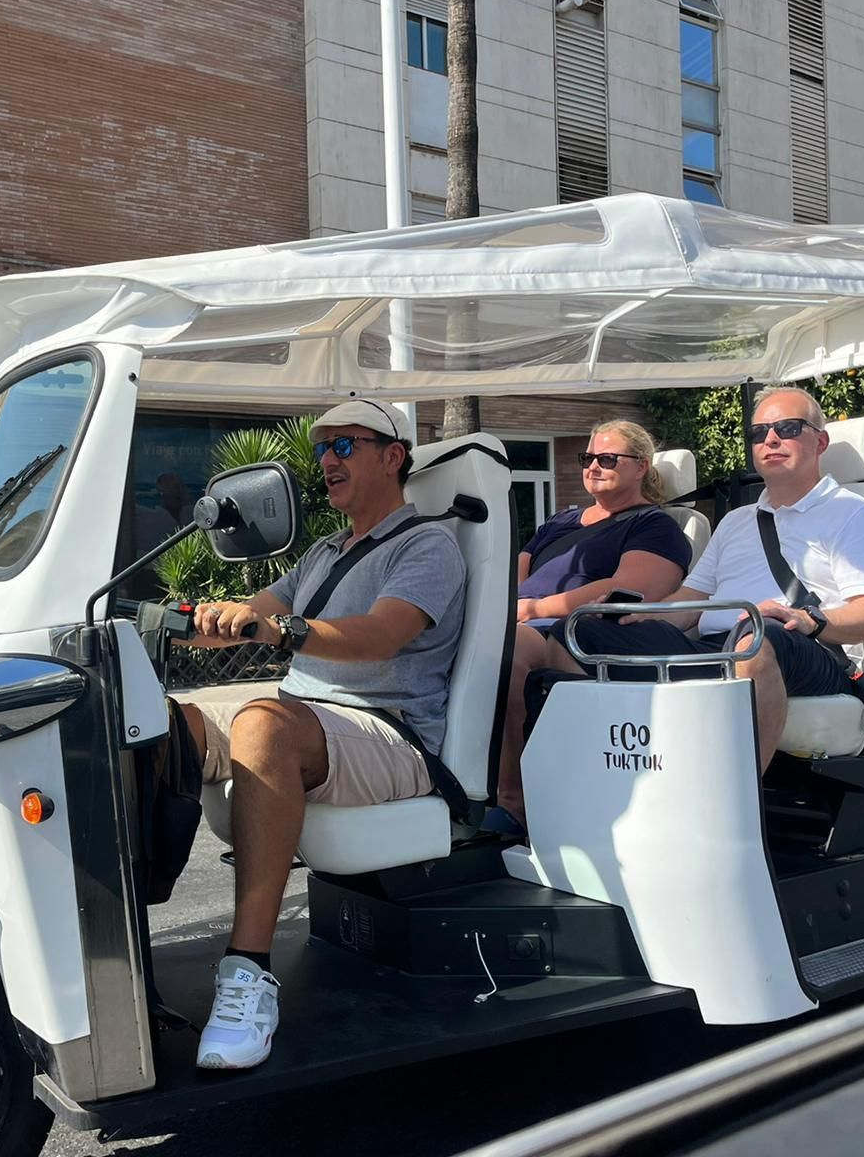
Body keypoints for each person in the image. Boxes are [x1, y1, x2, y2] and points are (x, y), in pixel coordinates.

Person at [176, 398, 465, 1071]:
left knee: (263, 724)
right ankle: (111, 949)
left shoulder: (428, 544)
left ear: (393, 456)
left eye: (343, 446)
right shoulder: (323, 553)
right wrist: (197, 621)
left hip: (390, 732)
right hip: (306, 719)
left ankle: (247, 973)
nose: (325, 460)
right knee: (160, 724)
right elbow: (258, 611)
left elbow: (379, 638)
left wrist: (284, 630)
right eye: (321, 447)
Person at [542, 386, 864, 771]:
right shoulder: (736, 521)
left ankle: (737, 805)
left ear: (821, 440)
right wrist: (640, 617)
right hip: (719, 647)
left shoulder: (855, 513)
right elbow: (689, 602)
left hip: (807, 650)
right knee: (574, 634)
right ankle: (599, 783)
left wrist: (809, 619)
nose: (771, 439)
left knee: (759, 638)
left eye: (788, 428)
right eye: (759, 433)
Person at [487, 420, 691, 836]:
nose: (594, 466)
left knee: (502, 654)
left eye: (608, 458)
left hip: (575, 631)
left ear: (641, 467)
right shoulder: (558, 523)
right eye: (588, 458)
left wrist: (535, 609)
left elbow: (629, 587)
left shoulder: (654, 526)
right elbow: (515, 574)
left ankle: (514, 801)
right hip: (521, 618)